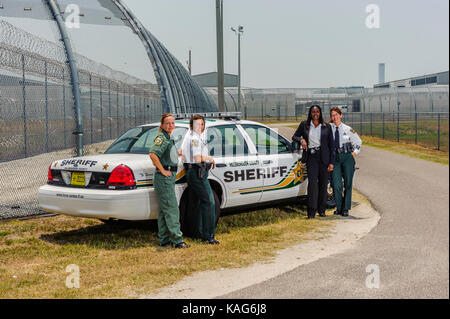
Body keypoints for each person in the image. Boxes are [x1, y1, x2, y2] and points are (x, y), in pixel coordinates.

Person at [149, 113, 189, 248]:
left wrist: (177, 153)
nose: (170, 125)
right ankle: (177, 241)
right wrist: (162, 170)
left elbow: (166, 153)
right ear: (162, 125)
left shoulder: (169, 137)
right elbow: (153, 154)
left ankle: (164, 239)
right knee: (172, 209)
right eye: (167, 123)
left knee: (164, 210)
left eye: (172, 123)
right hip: (164, 178)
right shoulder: (162, 138)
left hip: (169, 177)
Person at [180, 114, 219, 244]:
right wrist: (210, 158)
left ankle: (196, 232)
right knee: (209, 202)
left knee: (196, 203)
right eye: (197, 124)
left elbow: (181, 152)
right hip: (198, 172)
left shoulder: (189, 136)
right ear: (192, 125)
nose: (200, 127)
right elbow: (198, 158)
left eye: (202, 124)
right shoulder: (195, 138)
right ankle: (208, 236)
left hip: (192, 171)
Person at [292, 105, 335, 218]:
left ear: (320, 113)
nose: (315, 113)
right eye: (313, 112)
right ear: (310, 113)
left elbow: (332, 146)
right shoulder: (304, 125)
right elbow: (295, 136)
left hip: (324, 158)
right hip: (311, 157)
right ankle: (311, 212)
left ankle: (321, 210)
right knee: (312, 184)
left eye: (317, 111)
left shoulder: (327, 127)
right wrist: (302, 140)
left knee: (323, 184)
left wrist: (331, 163)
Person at [329, 107, 362, 217]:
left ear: (341, 115)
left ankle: (346, 208)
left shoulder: (348, 129)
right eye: (332, 115)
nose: (335, 117)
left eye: (336, 115)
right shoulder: (329, 128)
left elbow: (358, 142)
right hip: (335, 158)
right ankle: (339, 207)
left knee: (348, 183)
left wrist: (354, 154)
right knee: (336, 184)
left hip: (347, 157)